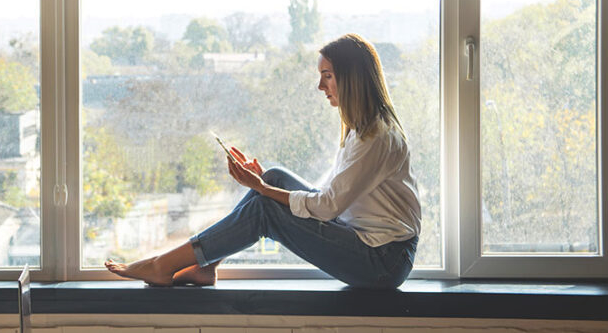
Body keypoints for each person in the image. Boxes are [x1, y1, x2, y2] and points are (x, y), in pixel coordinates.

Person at [104, 33, 421, 290]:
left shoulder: (377, 138)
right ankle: (207, 265)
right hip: (374, 247)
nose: (320, 86)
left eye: (327, 76)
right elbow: (330, 193)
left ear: (351, 79)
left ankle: (164, 265)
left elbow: (326, 206)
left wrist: (262, 190)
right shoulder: (363, 129)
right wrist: (263, 182)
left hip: (382, 261)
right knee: (276, 177)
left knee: (265, 206)